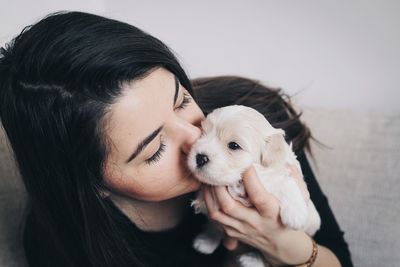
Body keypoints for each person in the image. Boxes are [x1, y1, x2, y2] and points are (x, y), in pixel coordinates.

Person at [0, 11, 353, 267]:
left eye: (181, 99)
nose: (196, 137)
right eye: (154, 150)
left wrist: (284, 246)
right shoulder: (63, 243)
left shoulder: (253, 119)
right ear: (94, 183)